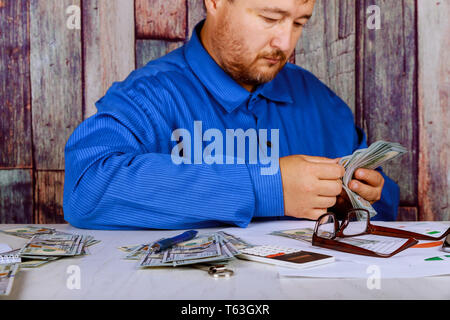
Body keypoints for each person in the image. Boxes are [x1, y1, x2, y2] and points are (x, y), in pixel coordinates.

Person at [63, 0, 399, 230]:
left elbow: (384, 206)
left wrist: (359, 199)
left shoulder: (318, 100)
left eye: (299, 23)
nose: (285, 42)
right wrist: (268, 186)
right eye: (270, 18)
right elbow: (85, 187)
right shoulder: (150, 94)